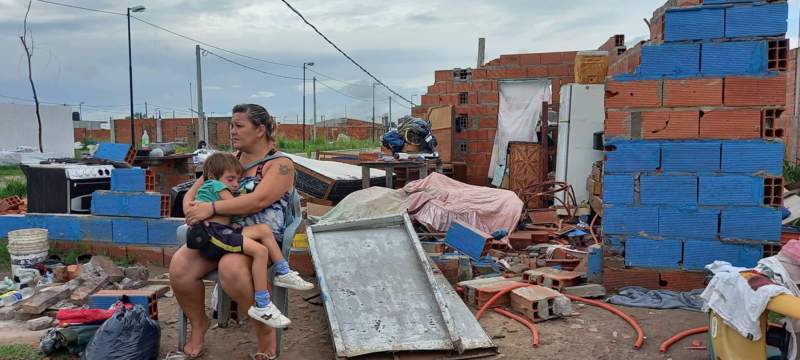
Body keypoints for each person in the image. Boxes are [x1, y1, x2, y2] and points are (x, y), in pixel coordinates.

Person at [170, 104, 296, 360]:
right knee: (180, 266)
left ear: (260, 130)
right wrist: (191, 207)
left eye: (239, 126)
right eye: (231, 125)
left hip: (259, 237)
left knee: (231, 268)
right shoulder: (228, 160)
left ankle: (264, 332)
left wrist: (212, 207)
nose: (232, 131)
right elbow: (195, 190)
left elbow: (257, 201)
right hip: (219, 233)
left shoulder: (280, 164)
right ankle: (199, 325)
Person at [187, 152, 312, 329]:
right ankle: (262, 303)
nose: (235, 184)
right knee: (260, 251)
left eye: (237, 179)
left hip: (225, 230)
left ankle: (283, 271)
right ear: (214, 177)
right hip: (215, 234)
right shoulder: (214, 185)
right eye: (230, 179)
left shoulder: (218, 183)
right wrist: (255, 198)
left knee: (263, 230)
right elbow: (235, 207)